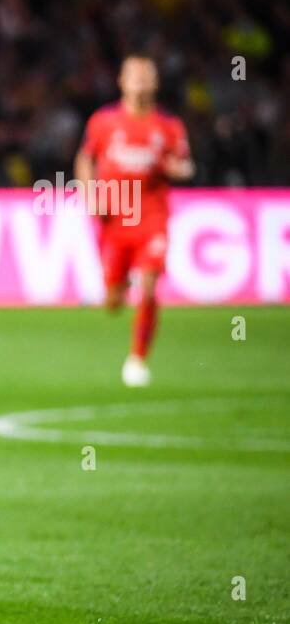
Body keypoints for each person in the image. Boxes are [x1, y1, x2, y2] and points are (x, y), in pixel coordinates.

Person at [75, 55, 193, 387]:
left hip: (152, 217)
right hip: (114, 220)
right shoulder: (103, 121)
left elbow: (186, 165)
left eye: (146, 76)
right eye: (134, 76)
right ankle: (118, 287)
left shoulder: (168, 126)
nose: (140, 82)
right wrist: (89, 193)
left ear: (155, 83)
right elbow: (85, 158)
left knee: (150, 284)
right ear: (122, 82)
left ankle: (138, 358)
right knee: (113, 300)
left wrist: (174, 169)